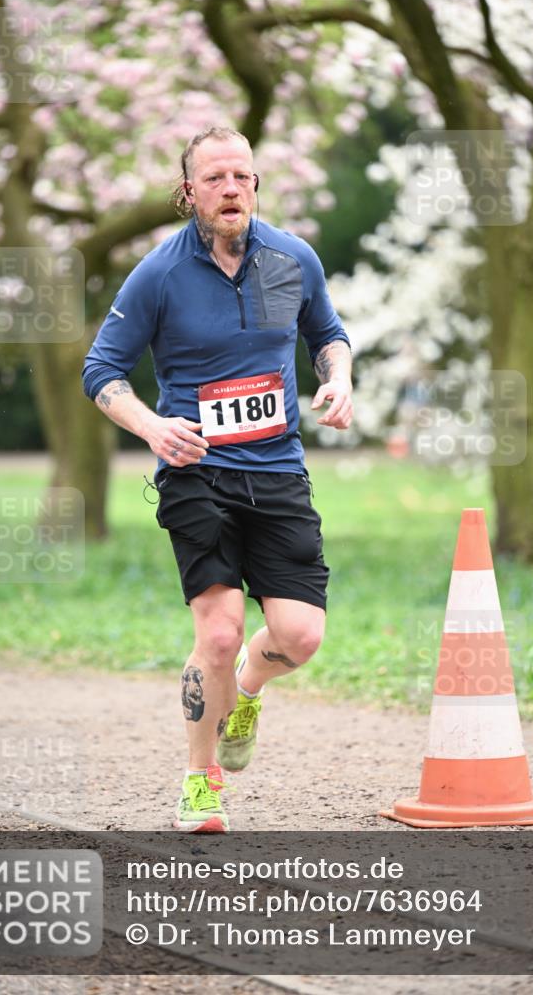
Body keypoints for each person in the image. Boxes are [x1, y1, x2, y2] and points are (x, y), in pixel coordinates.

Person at [82, 126, 353, 832]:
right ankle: (200, 781)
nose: (230, 188)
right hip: (195, 473)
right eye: (214, 179)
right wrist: (152, 428)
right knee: (222, 632)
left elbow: (326, 335)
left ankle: (249, 689)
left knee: (298, 637)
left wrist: (340, 381)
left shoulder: (291, 259)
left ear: (256, 184)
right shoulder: (159, 274)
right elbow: (100, 371)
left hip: (277, 471)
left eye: (242, 176)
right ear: (188, 192)